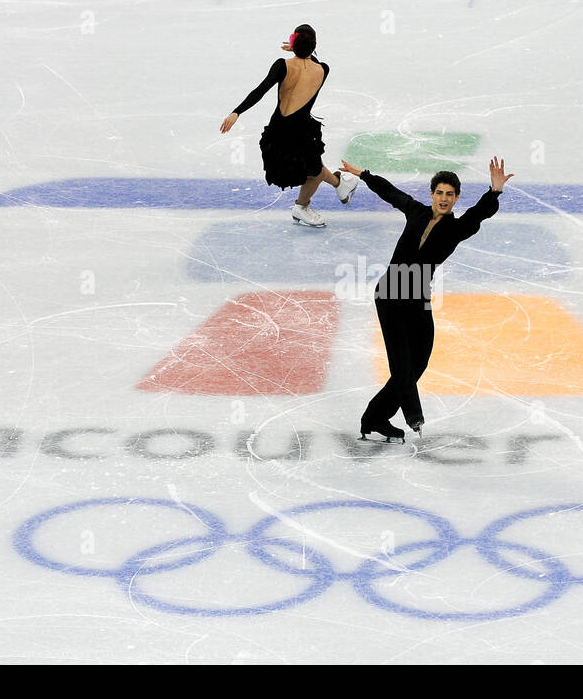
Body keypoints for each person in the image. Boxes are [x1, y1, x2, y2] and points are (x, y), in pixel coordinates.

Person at [337, 156, 514, 441]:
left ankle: (375, 417)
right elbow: (391, 193)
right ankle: (411, 415)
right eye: (440, 192)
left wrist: (494, 192)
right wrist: (364, 174)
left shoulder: (458, 228)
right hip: (391, 293)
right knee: (401, 362)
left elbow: (480, 213)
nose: (444, 198)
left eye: (450, 194)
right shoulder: (416, 211)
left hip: (418, 296)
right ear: (432, 194)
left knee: (418, 361)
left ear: (456, 198)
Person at [219, 24, 355, 228]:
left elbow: (260, 90)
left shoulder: (282, 66)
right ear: (315, 45)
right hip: (303, 132)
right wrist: (302, 50)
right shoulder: (322, 70)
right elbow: (312, 60)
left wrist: (236, 112)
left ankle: (309, 203)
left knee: (314, 170)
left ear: (293, 43)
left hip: (278, 132)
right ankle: (327, 191)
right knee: (314, 170)